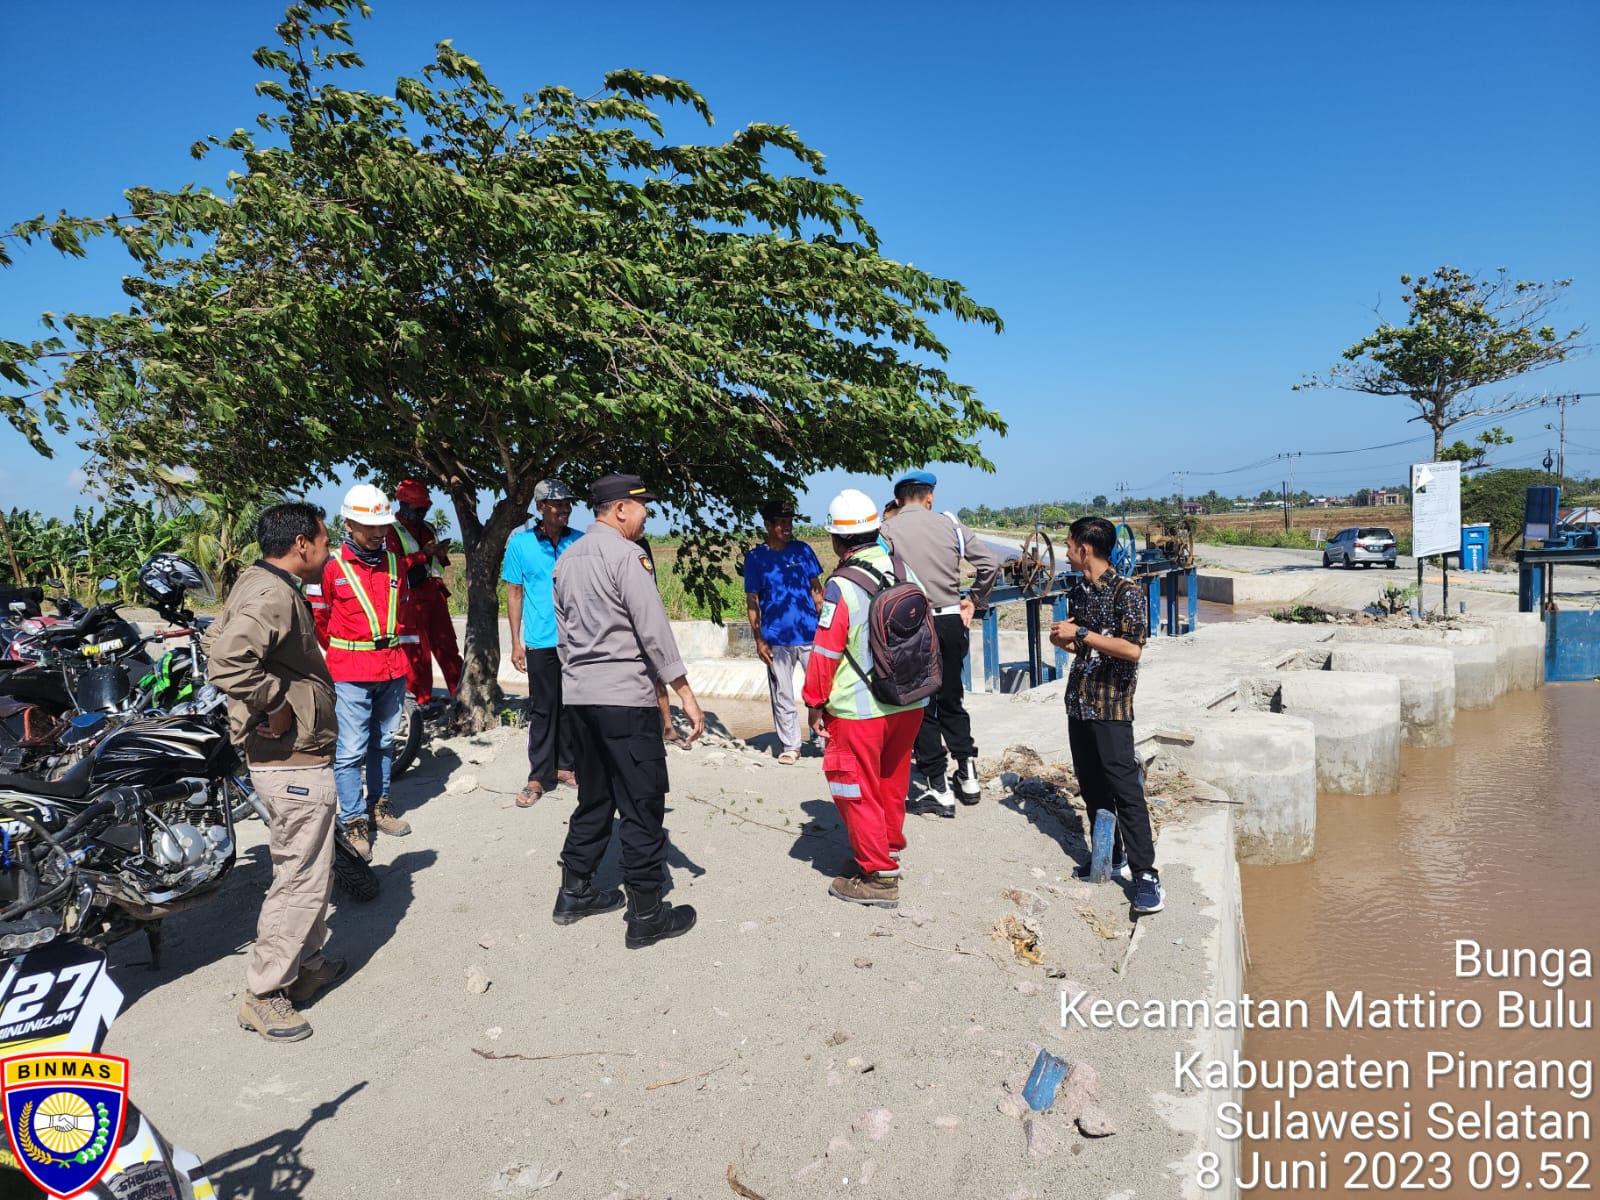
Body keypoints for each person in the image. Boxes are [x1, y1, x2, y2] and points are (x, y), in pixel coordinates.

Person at [551, 473, 706, 948]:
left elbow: (563, 635)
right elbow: (652, 628)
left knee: (595, 795)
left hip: (579, 698)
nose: (645, 517)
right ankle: (646, 912)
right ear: (620, 509)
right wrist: (683, 691)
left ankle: (574, 891)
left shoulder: (567, 559)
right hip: (623, 698)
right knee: (641, 801)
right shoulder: (627, 556)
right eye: (642, 508)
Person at [207, 502, 342, 1042]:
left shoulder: (258, 581)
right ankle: (265, 992)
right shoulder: (272, 593)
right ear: (303, 544)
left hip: (293, 756)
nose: (328, 552)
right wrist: (274, 704)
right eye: (326, 542)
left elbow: (211, 637)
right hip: (291, 760)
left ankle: (304, 967)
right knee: (301, 877)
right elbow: (227, 660)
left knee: (312, 868)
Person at [801, 489, 926, 909]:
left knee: (853, 785)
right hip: (908, 699)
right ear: (875, 530)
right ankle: (886, 845)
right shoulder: (903, 569)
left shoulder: (841, 586)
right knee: (891, 780)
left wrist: (814, 701)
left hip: (859, 708)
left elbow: (825, 652)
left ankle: (878, 876)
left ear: (837, 540)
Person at [1048, 516, 1164, 915]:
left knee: (1125, 789)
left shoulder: (1127, 593)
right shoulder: (1079, 591)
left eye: (1068, 545)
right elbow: (1085, 649)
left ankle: (1146, 874)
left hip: (1111, 705)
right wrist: (1065, 640)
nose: (1065, 552)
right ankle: (1108, 854)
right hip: (1078, 702)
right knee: (1091, 784)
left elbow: (1132, 649)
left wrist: (1081, 634)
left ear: (1085, 549)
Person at [882, 469, 1000, 816]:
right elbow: (989, 563)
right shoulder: (950, 523)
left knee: (921, 706)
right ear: (929, 497)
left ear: (899, 500)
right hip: (951, 621)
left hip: (912, 625)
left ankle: (938, 785)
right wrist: (974, 600)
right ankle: (968, 775)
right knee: (951, 698)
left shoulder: (886, 530)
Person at [312, 483, 418, 859]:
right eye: (368, 526)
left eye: (382, 526)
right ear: (348, 523)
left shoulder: (396, 563)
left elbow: (402, 609)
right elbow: (320, 619)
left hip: (391, 666)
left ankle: (380, 806)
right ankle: (354, 821)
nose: (377, 533)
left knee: (385, 742)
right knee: (351, 749)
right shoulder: (331, 567)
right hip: (350, 670)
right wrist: (347, 650)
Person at [503, 479, 583, 808]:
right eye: (558, 504)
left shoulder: (580, 542)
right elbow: (514, 593)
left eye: (568, 503)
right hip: (540, 641)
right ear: (541, 508)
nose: (565, 508)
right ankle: (538, 775)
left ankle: (566, 766)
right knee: (542, 709)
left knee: (573, 707)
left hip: (577, 640)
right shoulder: (520, 545)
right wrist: (516, 643)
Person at [743, 499, 824, 764]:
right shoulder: (756, 559)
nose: (787, 527)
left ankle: (824, 738)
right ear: (768, 524)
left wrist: (825, 620)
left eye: (789, 522)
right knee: (783, 693)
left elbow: (816, 589)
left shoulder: (803, 551)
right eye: (781, 523)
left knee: (821, 691)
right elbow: (752, 600)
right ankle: (791, 744)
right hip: (775, 637)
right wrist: (758, 638)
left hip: (810, 634)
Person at [392, 479, 463, 705]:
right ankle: (420, 703)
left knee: (448, 647)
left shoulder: (428, 528)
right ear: (403, 504)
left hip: (435, 594)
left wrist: (440, 554)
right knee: (417, 653)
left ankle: (461, 695)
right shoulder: (390, 531)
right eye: (418, 508)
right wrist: (423, 554)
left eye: (425, 508)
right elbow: (394, 567)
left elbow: (438, 565)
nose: (422, 512)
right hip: (411, 599)